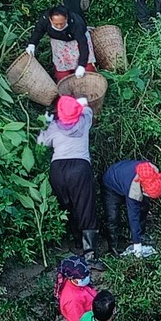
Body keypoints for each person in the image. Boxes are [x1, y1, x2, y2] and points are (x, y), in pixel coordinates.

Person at [37, 93, 99, 255]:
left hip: (58, 169)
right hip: (80, 168)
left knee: (66, 205)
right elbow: (86, 106)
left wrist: (46, 123)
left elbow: (41, 143)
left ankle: (76, 241)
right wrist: (79, 103)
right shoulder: (84, 120)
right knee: (85, 207)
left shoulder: (53, 127)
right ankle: (90, 253)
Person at [102, 158, 161, 257]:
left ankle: (141, 234)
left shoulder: (153, 172)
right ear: (143, 188)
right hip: (112, 184)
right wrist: (137, 245)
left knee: (144, 207)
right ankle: (113, 248)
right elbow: (133, 216)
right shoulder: (133, 188)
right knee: (112, 217)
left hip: (126, 177)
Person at [26, 3, 95, 83]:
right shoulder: (44, 20)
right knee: (62, 73)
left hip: (76, 41)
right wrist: (32, 44)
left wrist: (82, 65)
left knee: (88, 69)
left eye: (61, 23)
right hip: (59, 43)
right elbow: (38, 31)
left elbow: (83, 45)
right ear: (50, 19)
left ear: (66, 18)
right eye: (56, 24)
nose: (59, 26)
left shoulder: (76, 23)